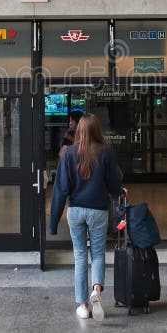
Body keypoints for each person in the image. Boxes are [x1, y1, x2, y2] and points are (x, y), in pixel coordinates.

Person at [49, 113, 125, 322]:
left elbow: (60, 190)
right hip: (99, 211)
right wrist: (119, 190)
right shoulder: (105, 153)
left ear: (79, 131)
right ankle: (96, 291)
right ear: (97, 130)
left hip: (75, 211)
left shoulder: (68, 154)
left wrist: (53, 223)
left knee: (80, 256)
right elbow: (114, 186)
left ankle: (83, 305)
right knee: (98, 254)